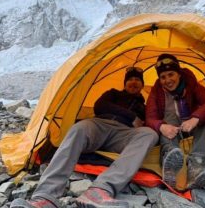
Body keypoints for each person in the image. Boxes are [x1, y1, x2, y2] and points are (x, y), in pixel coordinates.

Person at [11, 67, 158, 208]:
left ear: (142, 85)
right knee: (79, 129)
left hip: (124, 134)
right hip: (100, 125)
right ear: (125, 83)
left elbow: (150, 122)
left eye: (137, 80)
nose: (134, 82)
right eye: (130, 79)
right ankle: (45, 196)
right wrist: (131, 116)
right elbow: (100, 106)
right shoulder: (113, 94)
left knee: (149, 134)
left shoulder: (144, 107)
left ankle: (101, 190)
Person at [146, 53, 205, 190]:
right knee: (164, 127)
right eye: (163, 77)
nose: (167, 80)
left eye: (171, 74)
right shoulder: (156, 91)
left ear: (178, 74)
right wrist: (161, 126)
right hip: (172, 130)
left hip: (190, 127)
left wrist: (196, 118)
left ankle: (196, 165)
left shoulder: (191, 84)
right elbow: (150, 117)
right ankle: (170, 162)